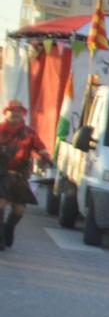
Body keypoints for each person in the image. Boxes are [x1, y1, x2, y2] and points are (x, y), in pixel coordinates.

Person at [0, 100, 49, 250]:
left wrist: (45, 158)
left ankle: (9, 229)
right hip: (1, 174)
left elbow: (41, 148)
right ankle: (1, 238)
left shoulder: (29, 133)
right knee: (0, 205)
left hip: (20, 176)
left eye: (18, 111)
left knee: (19, 210)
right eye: (12, 111)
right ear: (6, 113)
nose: (15, 113)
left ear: (22, 114)